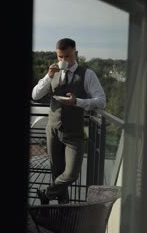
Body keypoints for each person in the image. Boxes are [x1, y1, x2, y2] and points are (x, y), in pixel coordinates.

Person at [32, 38, 106, 203]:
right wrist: (48, 76)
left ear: (76, 53)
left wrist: (77, 101)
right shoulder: (53, 71)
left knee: (71, 174)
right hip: (52, 130)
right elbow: (35, 95)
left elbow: (101, 101)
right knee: (57, 174)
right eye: (60, 57)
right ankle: (62, 212)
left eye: (67, 56)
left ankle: (46, 194)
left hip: (74, 132)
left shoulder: (87, 74)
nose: (63, 60)